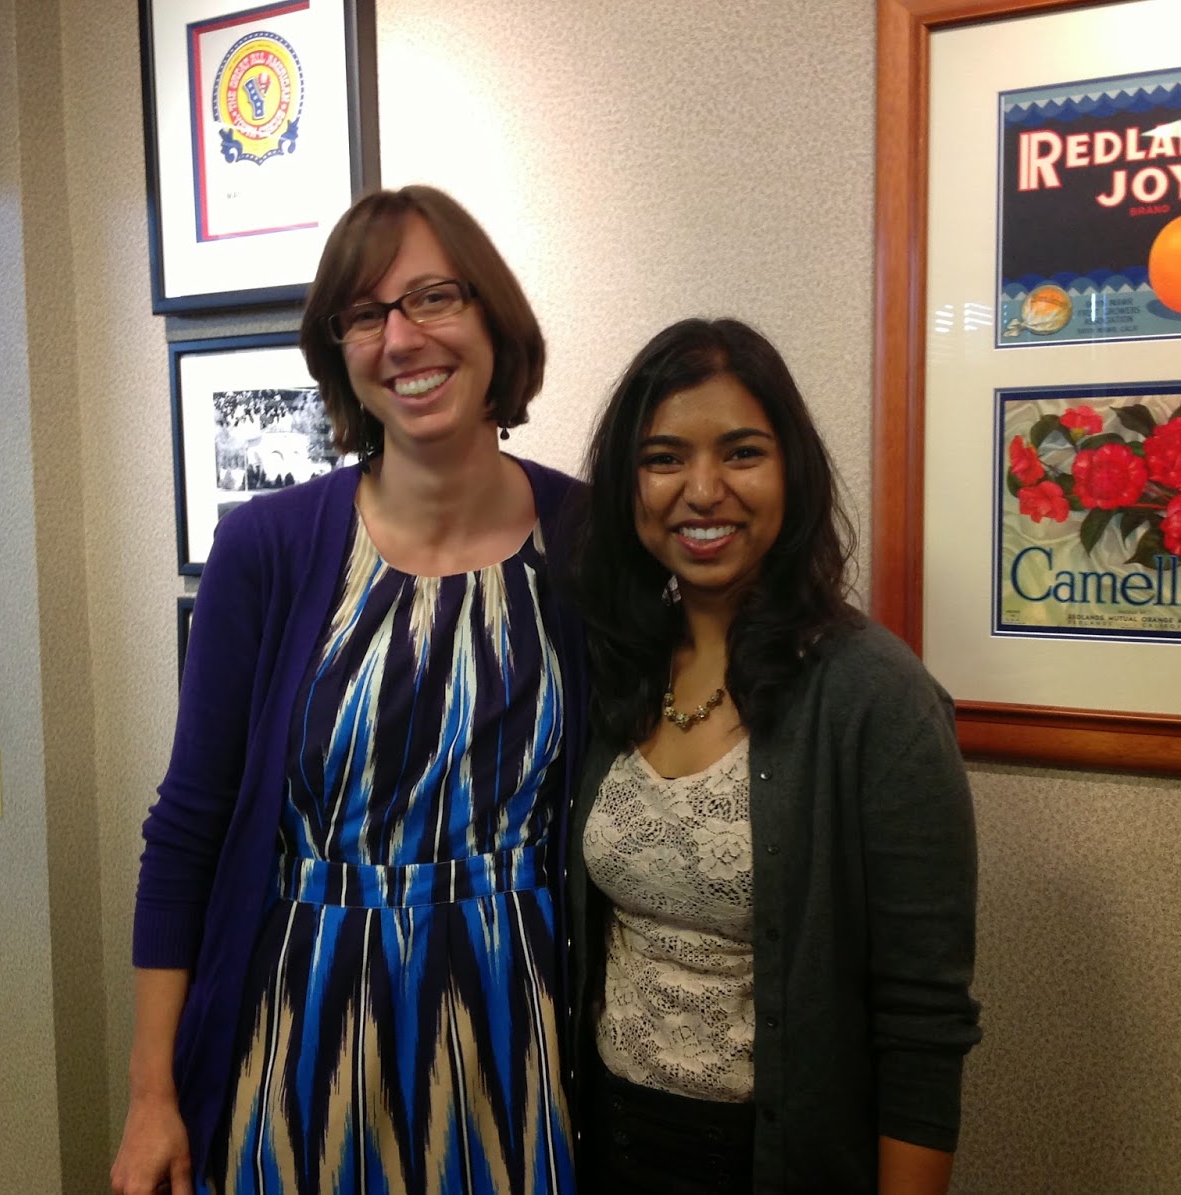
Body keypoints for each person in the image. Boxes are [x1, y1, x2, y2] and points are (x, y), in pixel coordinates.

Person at [111, 186, 585, 1195]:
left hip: (523, 1024)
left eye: (432, 298)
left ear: (493, 316)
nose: (402, 338)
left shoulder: (588, 541)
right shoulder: (268, 548)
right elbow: (188, 828)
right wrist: (152, 1094)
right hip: (301, 1020)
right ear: (341, 354)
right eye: (365, 315)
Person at [565, 318, 980, 1193]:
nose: (703, 489)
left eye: (742, 453)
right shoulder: (614, 671)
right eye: (664, 457)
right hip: (607, 1140)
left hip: (768, 1161)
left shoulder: (878, 696)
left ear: (792, 469)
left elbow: (922, 1021)